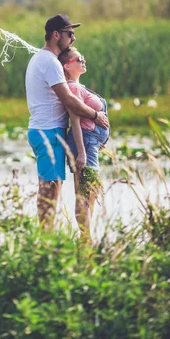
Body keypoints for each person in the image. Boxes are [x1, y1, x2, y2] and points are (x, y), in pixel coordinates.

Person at [25, 14, 109, 228]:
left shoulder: (43, 59)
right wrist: (94, 115)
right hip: (48, 132)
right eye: (70, 34)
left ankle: (47, 239)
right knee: (49, 191)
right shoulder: (50, 62)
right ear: (56, 35)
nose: (73, 39)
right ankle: (44, 243)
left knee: (53, 187)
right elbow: (68, 99)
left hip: (48, 132)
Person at [58, 46, 109, 239]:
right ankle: (86, 239)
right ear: (67, 67)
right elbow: (75, 120)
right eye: (79, 59)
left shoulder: (78, 87)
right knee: (86, 191)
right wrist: (81, 152)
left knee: (90, 191)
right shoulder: (72, 88)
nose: (83, 61)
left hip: (90, 143)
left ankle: (86, 238)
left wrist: (99, 139)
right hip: (84, 143)